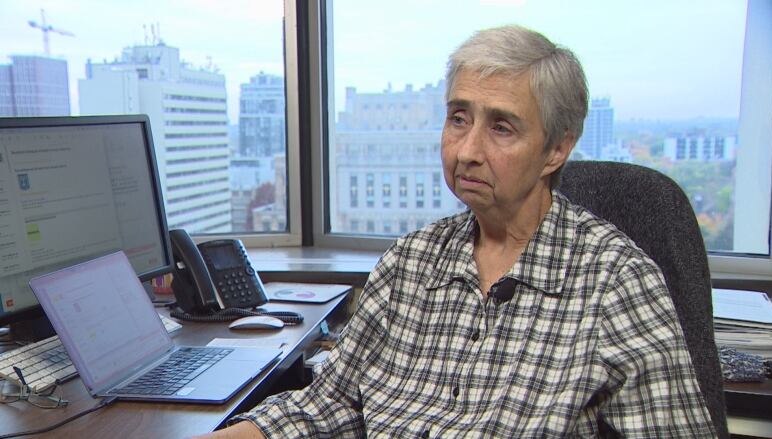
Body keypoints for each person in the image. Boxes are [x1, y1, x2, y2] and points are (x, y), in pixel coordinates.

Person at [196, 25, 717, 438]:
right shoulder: (411, 262)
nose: (467, 150)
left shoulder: (614, 279)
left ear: (556, 150)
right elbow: (330, 403)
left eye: (501, 127)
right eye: (458, 118)